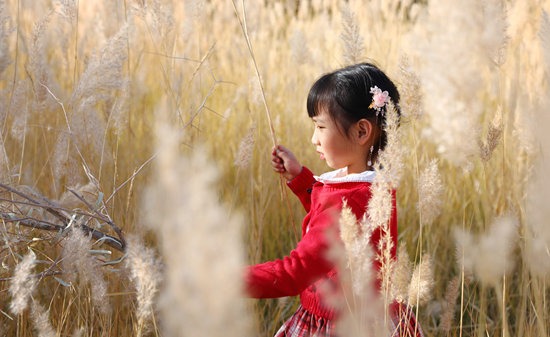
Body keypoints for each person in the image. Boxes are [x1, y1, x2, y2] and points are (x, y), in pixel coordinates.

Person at [245, 63, 423, 337]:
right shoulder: (375, 184)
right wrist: (302, 178)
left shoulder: (349, 198)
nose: (313, 138)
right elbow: (339, 227)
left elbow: (296, 272)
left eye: (320, 126)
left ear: (361, 132)